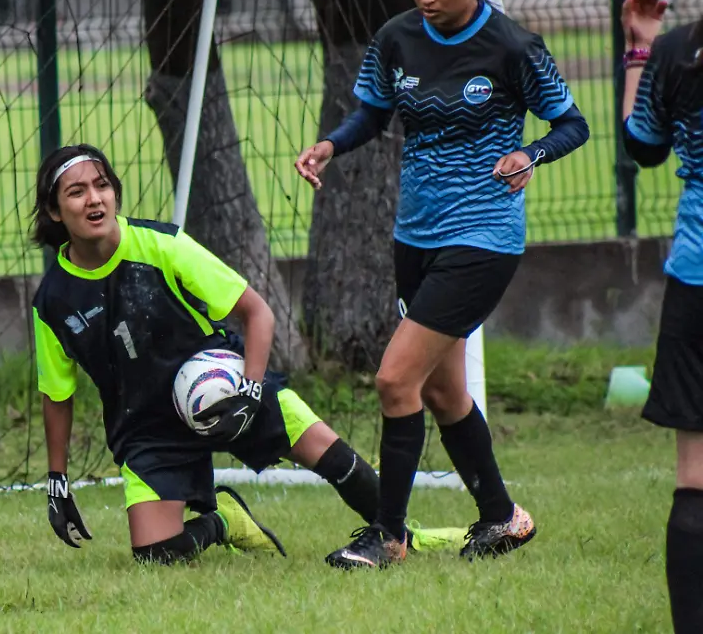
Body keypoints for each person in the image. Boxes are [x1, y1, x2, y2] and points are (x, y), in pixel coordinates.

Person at [31, 143, 458, 565]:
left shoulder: (162, 245)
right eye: (76, 192)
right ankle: (224, 521)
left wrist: (251, 390)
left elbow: (258, 314)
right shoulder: (52, 302)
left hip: (229, 386)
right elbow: (57, 395)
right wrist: (57, 480)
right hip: (145, 425)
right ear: (54, 212)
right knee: (155, 555)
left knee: (334, 458)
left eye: (102, 185)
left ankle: (403, 536)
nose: (94, 199)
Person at [294, 0, 589, 569]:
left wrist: (530, 152)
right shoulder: (396, 38)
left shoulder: (513, 46)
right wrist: (331, 144)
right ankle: (502, 517)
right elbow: (373, 115)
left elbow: (573, 124)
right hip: (416, 237)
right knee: (444, 390)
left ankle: (389, 536)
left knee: (394, 379)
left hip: (484, 237)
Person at [620, 0, 703, 634]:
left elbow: (641, 146)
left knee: (694, 475)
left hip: (694, 284)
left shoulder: (679, 53)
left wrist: (640, 49)